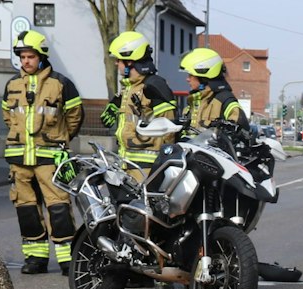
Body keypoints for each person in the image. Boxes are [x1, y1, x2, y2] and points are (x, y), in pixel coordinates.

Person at [2, 30, 82, 274]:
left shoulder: (61, 84)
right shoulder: (12, 84)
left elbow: (75, 117)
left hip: (50, 157)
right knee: (25, 208)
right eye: (22, 57)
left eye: (30, 56)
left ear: (41, 56)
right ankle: (35, 258)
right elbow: (8, 117)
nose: (25, 61)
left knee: (58, 206)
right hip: (19, 158)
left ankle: (68, 259)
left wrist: (59, 139)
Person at [101, 31, 177, 181]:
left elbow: (170, 129)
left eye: (119, 60)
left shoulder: (154, 85)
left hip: (147, 169)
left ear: (130, 61)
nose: (116, 63)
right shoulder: (129, 88)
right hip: (127, 164)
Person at [177, 47, 245, 131]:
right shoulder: (193, 102)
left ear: (203, 75)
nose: (187, 79)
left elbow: (241, 129)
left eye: (191, 75)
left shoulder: (225, 100)